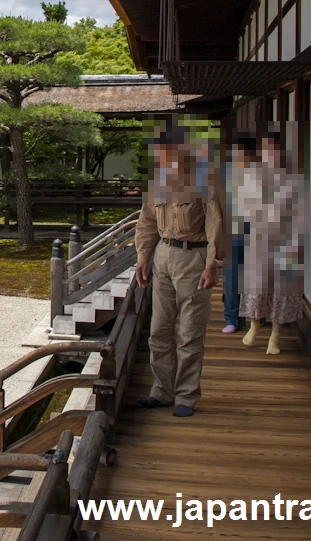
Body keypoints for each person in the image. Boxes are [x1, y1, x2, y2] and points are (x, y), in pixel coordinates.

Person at [134, 126, 224, 417]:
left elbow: (216, 226)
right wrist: (142, 257)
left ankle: (186, 395)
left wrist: (212, 265)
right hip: (163, 255)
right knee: (159, 329)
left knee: (189, 332)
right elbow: (146, 222)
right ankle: (161, 390)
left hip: (192, 257)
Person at [237, 130, 306, 355]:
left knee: (283, 291)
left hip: (288, 239)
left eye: (275, 149)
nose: (271, 153)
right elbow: (245, 208)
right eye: (266, 149)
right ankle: (254, 325)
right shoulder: (251, 175)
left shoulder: (293, 177)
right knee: (256, 287)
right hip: (260, 237)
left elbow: (299, 211)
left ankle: (275, 336)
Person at [222, 134, 254, 334]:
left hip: (257, 230)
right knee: (232, 276)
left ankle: (255, 316)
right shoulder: (225, 173)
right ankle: (232, 317)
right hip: (232, 230)